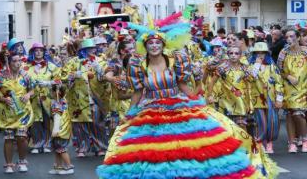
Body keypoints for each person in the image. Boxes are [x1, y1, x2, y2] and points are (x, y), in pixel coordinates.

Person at [96, 18, 278, 179]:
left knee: (187, 150)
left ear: (163, 45)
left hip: (177, 107)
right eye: (150, 43)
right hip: (151, 112)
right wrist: (130, 114)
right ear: (145, 45)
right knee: (154, 152)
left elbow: (185, 87)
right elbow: (137, 92)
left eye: (157, 43)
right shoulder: (138, 65)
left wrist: (198, 93)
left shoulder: (175, 62)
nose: (154, 46)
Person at [59, 39, 108, 157]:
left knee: (97, 122)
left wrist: (98, 69)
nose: (92, 51)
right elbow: (63, 76)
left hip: (95, 96)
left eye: (93, 48)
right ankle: (82, 147)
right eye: (88, 49)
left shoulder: (100, 61)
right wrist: (78, 74)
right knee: (79, 124)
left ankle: (100, 146)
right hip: (78, 97)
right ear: (83, 50)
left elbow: (106, 77)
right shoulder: (74, 62)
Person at [0, 53, 35, 173]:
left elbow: (32, 89)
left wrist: (28, 94)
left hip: (23, 112)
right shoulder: (0, 77)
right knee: (8, 137)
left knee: (22, 137)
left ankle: (22, 161)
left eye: (19, 60)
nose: (18, 63)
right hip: (8, 113)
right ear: (9, 62)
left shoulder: (25, 75)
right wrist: (3, 99)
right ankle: (9, 164)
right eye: (14, 61)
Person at [277, 29, 307, 153]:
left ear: (298, 37)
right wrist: (288, 76)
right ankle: (292, 142)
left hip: (303, 88)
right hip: (288, 87)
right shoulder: (283, 52)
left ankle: (305, 139)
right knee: (290, 115)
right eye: (287, 37)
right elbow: (279, 71)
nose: (289, 39)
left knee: (298, 113)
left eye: (292, 36)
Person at [249, 42, 284, 154]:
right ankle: (259, 142)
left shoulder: (272, 67)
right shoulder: (250, 67)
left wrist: (279, 99)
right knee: (259, 121)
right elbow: (251, 78)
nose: (260, 55)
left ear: (266, 53)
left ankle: (269, 142)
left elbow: (279, 82)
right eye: (257, 53)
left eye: (263, 52)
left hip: (270, 97)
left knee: (272, 121)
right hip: (257, 97)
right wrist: (257, 64)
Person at [207, 46, 252, 131]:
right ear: (228, 55)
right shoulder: (222, 67)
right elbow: (212, 82)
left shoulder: (245, 68)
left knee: (241, 125)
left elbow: (249, 84)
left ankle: (244, 144)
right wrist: (210, 95)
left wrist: (250, 102)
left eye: (236, 53)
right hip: (225, 100)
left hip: (240, 101)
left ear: (240, 55)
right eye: (231, 53)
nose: (233, 55)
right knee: (226, 126)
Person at [25, 42, 57, 154]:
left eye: (41, 50)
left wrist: (48, 83)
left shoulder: (51, 66)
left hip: (47, 99)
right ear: (32, 52)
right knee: (35, 122)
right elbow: (21, 82)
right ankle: (36, 143)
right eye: (36, 50)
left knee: (47, 122)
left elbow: (59, 80)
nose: (38, 52)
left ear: (44, 52)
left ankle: (47, 143)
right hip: (32, 100)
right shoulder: (26, 67)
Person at [48, 84, 74, 175]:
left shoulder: (57, 103)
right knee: (57, 149)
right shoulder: (61, 101)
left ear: (57, 92)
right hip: (61, 127)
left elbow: (57, 117)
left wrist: (55, 130)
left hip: (60, 128)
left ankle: (69, 166)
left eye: (52, 90)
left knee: (62, 148)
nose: (50, 92)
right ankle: (58, 167)